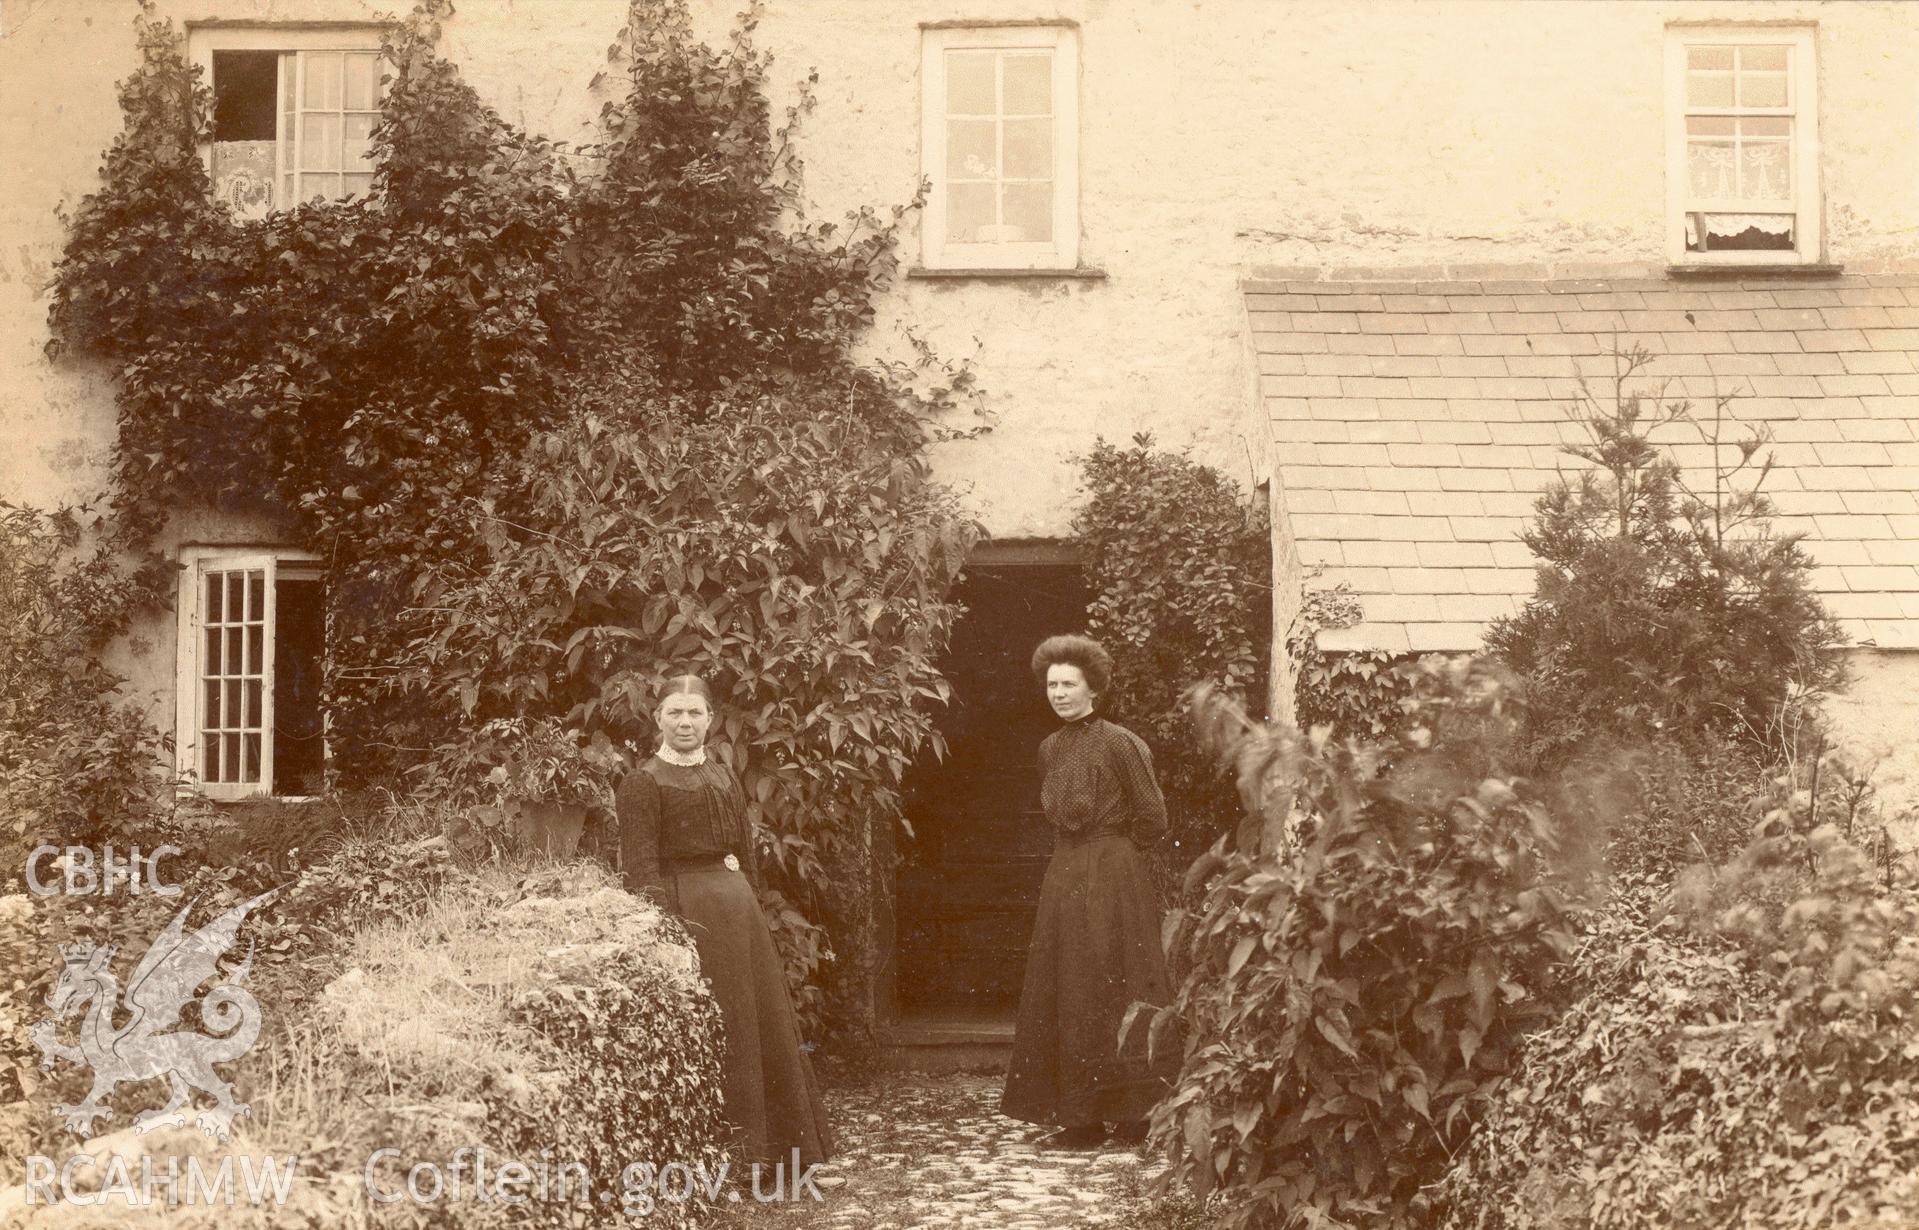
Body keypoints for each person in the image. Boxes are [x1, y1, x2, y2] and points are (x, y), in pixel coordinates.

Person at [616, 673, 831, 1167]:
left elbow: (745, 854)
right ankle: (732, 1157)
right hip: (691, 915)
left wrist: (751, 904)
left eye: (695, 713)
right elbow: (641, 868)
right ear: (658, 718)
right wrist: (664, 933)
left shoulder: (722, 774)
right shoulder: (642, 782)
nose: (685, 722)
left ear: (710, 720)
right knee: (721, 1026)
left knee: (759, 1026)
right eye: (675, 712)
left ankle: (777, 1152)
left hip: (739, 917)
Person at [1001, 635, 1177, 1148]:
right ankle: (1079, 1120)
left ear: (1093, 689)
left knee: (1121, 985)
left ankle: (1134, 1117)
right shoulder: (1050, 748)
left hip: (1115, 872)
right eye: (1051, 685)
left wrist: (1114, 855)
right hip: (1065, 873)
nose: (1058, 693)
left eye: (1068, 684)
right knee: (1070, 988)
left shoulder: (1121, 742)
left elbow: (1154, 817)